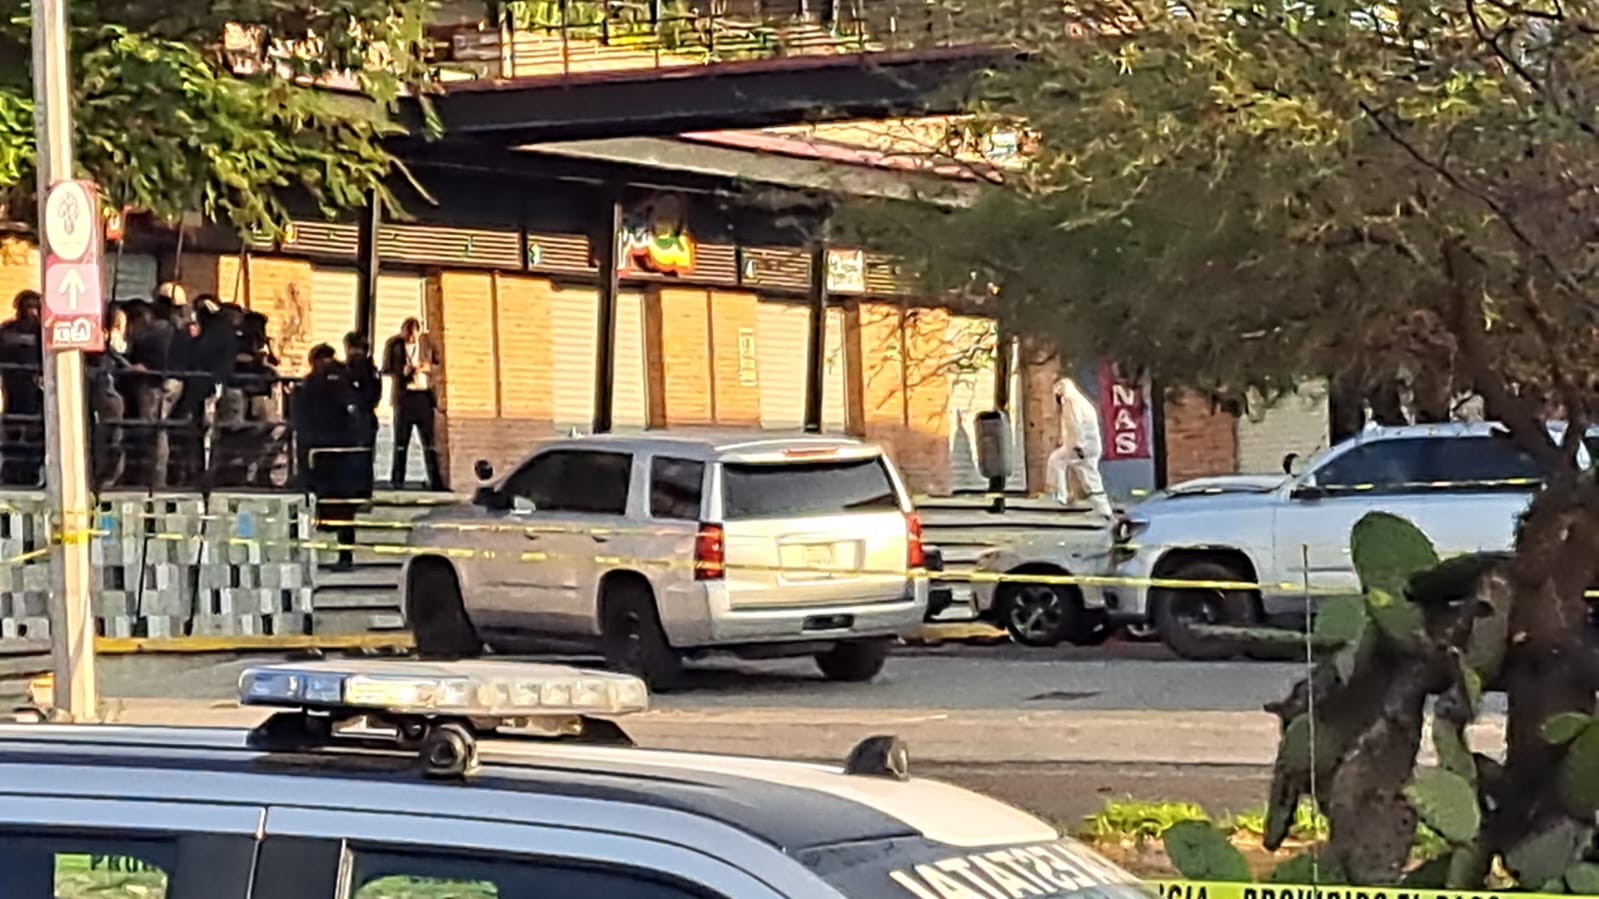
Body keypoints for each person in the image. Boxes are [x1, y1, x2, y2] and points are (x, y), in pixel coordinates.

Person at [295, 344, 364, 570]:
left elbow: (301, 415)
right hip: (343, 454)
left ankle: (317, 558)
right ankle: (345, 558)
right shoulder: (345, 381)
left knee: (317, 505)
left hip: (320, 452)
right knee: (343, 510)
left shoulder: (312, 383)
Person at [381, 317, 443, 490]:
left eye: (413, 336)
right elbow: (386, 368)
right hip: (404, 396)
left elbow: (439, 365)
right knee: (401, 441)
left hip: (423, 395)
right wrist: (402, 371)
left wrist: (426, 368)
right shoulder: (394, 346)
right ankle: (397, 480)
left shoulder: (427, 344)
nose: (410, 339)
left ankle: (435, 481)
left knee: (429, 442)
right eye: (407, 335)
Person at [1045, 376, 1113, 517]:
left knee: (1056, 461)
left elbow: (1074, 424)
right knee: (1089, 476)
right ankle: (1104, 509)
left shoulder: (1070, 401)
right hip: (1090, 446)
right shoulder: (1080, 401)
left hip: (1082, 446)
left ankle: (1059, 497)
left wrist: (1078, 445)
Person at [0, 291, 43, 486]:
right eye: (28, 307)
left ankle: (30, 473)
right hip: (13, 388)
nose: (32, 312)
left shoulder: (44, 332)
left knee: (35, 432)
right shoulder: (6, 330)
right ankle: (11, 471)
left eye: (36, 307)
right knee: (13, 429)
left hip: (36, 390)